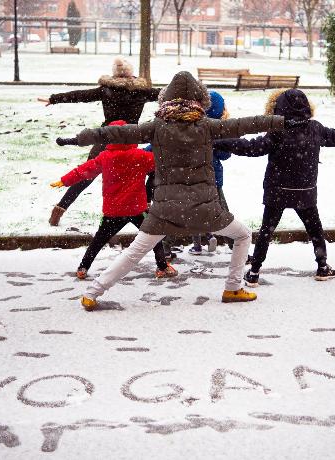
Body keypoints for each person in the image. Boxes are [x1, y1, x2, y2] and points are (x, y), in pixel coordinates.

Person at [56, 71, 286, 310]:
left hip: (165, 210)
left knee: (135, 251)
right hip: (205, 208)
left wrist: (78, 139)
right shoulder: (207, 127)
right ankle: (232, 288)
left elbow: (115, 133)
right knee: (243, 235)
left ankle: (92, 293)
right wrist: (281, 121)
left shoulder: (156, 128)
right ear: (200, 100)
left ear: (165, 100)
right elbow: (246, 124)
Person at [213, 89, 335, 286]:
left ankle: (254, 271)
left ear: (278, 108)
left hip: (277, 190)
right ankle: (323, 266)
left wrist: (219, 142)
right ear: (306, 107)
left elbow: (251, 147)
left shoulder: (277, 132)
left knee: (267, 231)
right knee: (315, 229)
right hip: (304, 192)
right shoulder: (315, 129)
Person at [51, 120, 177, 286]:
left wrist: (64, 180)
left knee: (98, 240)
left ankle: (83, 267)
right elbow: (163, 162)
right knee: (153, 237)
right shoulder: (141, 156)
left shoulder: (105, 157)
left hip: (113, 211)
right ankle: (162, 267)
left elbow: (84, 170)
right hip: (137, 209)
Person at [40, 57, 161, 227]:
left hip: (105, 137)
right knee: (139, 175)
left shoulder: (106, 90)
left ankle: (60, 208)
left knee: (86, 174)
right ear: (131, 73)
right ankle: (143, 209)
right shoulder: (141, 91)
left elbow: (80, 96)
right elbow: (166, 94)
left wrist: (54, 99)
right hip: (130, 141)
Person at [188, 90, 232, 255]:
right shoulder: (219, 129)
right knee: (222, 212)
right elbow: (225, 155)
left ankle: (197, 244)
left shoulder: (191, 127)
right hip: (213, 179)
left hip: (192, 178)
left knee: (190, 211)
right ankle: (234, 245)